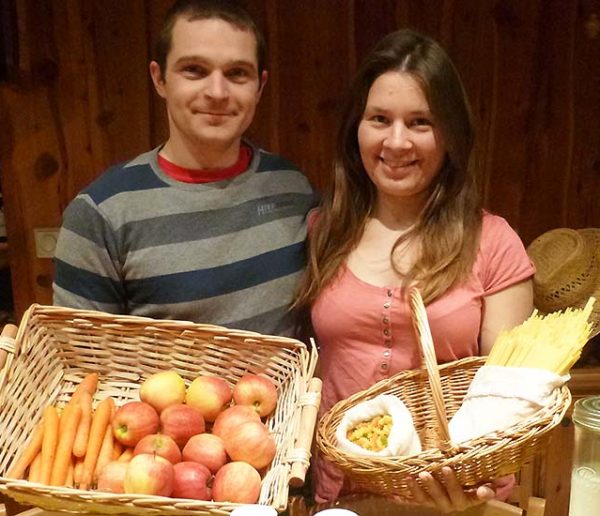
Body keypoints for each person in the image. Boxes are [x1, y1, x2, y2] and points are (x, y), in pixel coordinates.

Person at [293, 29, 535, 512]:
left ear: (450, 134)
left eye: (420, 122)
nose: (397, 141)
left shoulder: (493, 242)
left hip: (451, 500)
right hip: (342, 500)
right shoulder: (324, 230)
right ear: (356, 128)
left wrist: (477, 480)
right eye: (379, 119)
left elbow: (513, 394)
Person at [52, 0, 315, 336]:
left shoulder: (292, 188)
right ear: (159, 78)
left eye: (237, 73)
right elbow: (81, 362)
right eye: (194, 69)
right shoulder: (100, 215)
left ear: (260, 86)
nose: (217, 92)